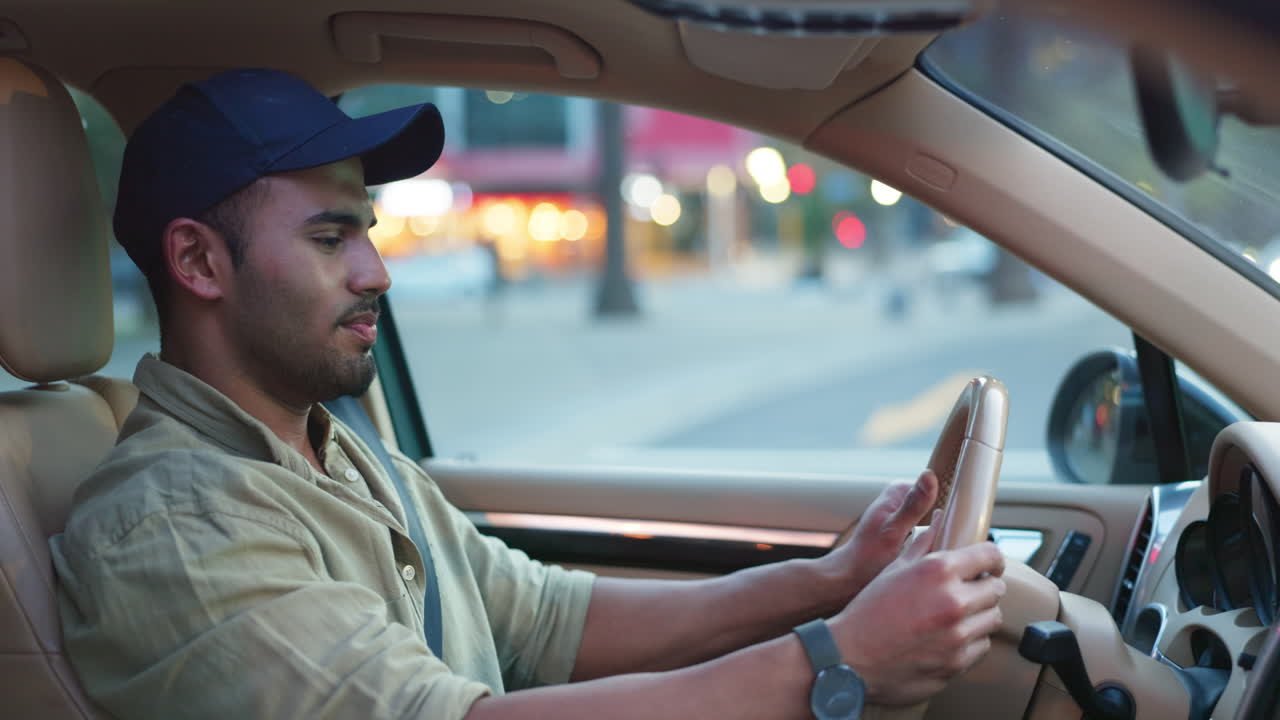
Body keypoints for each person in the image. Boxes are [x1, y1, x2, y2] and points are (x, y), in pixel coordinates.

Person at [49, 68, 1007, 720]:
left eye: (368, 234)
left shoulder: (332, 449)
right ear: (196, 262)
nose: (378, 272)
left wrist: (829, 583)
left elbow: (547, 619)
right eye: (332, 239)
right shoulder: (173, 525)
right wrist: (834, 661)